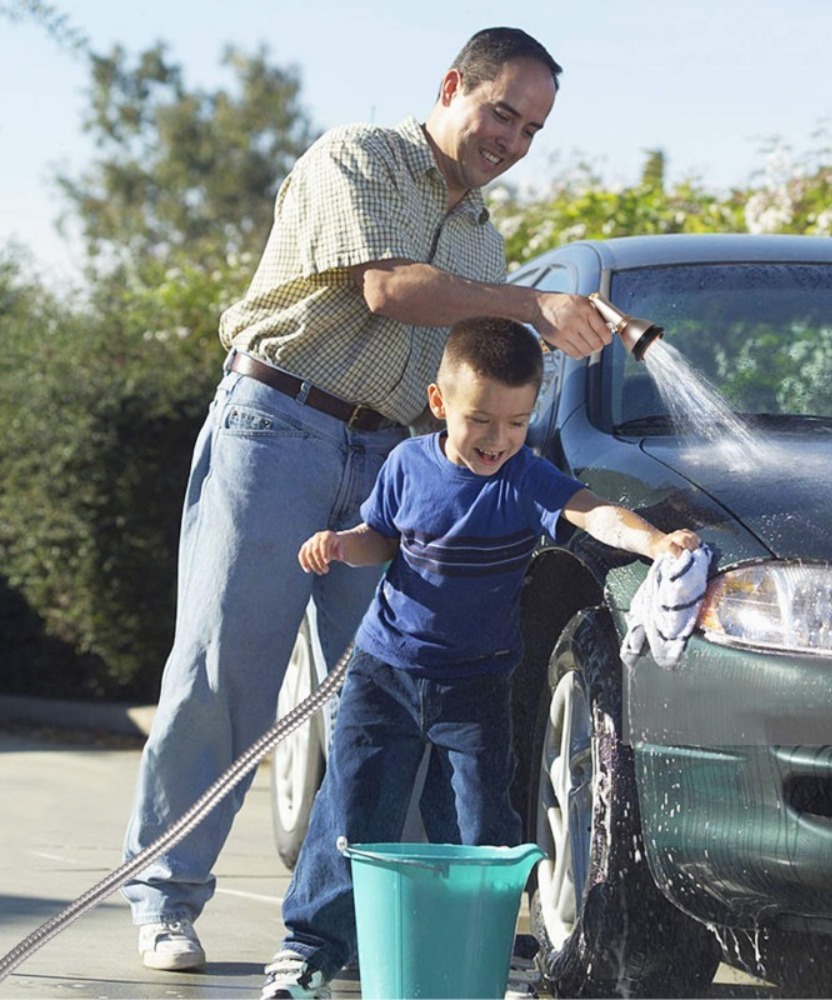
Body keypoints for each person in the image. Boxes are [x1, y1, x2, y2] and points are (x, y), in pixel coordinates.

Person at [121, 25, 614, 973]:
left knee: (397, 693)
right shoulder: (361, 156)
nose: (511, 140)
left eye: (531, 130)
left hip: (392, 457)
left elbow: (462, 385)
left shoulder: (482, 236)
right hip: (279, 429)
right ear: (452, 86)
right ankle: (166, 899)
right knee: (226, 673)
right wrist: (530, 305)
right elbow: (390, 290)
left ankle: (368, 930)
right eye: (501, 113)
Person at [261, 318, 700, 999]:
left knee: (480, 825)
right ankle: (308, 950)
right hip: (385, 674)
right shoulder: (407, 464)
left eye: (517, 422)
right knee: (351, 809)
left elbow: (594, 513)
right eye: (481, 420)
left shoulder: (526, 479)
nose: (499, 439)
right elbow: (382, 536)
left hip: (476, 684)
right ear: (439, 403)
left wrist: (657, 543)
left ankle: (481, 952)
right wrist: (345, 544)